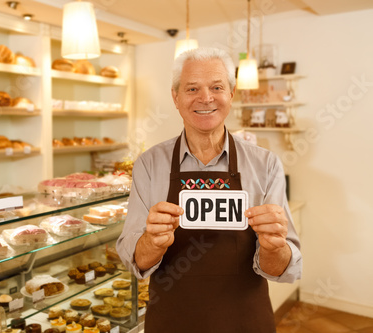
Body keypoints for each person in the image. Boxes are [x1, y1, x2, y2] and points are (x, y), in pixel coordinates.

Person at [116, 47, 302, 332]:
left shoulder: (265, 164)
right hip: (172, 321)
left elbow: (279, 267)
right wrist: (151, 242)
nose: (205, 98)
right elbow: (136, 261)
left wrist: (273, 246)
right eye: (192, 88)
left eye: (217, 87)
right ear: (175, 97)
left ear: (232, 93)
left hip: (246, 321)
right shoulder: (149, 164)